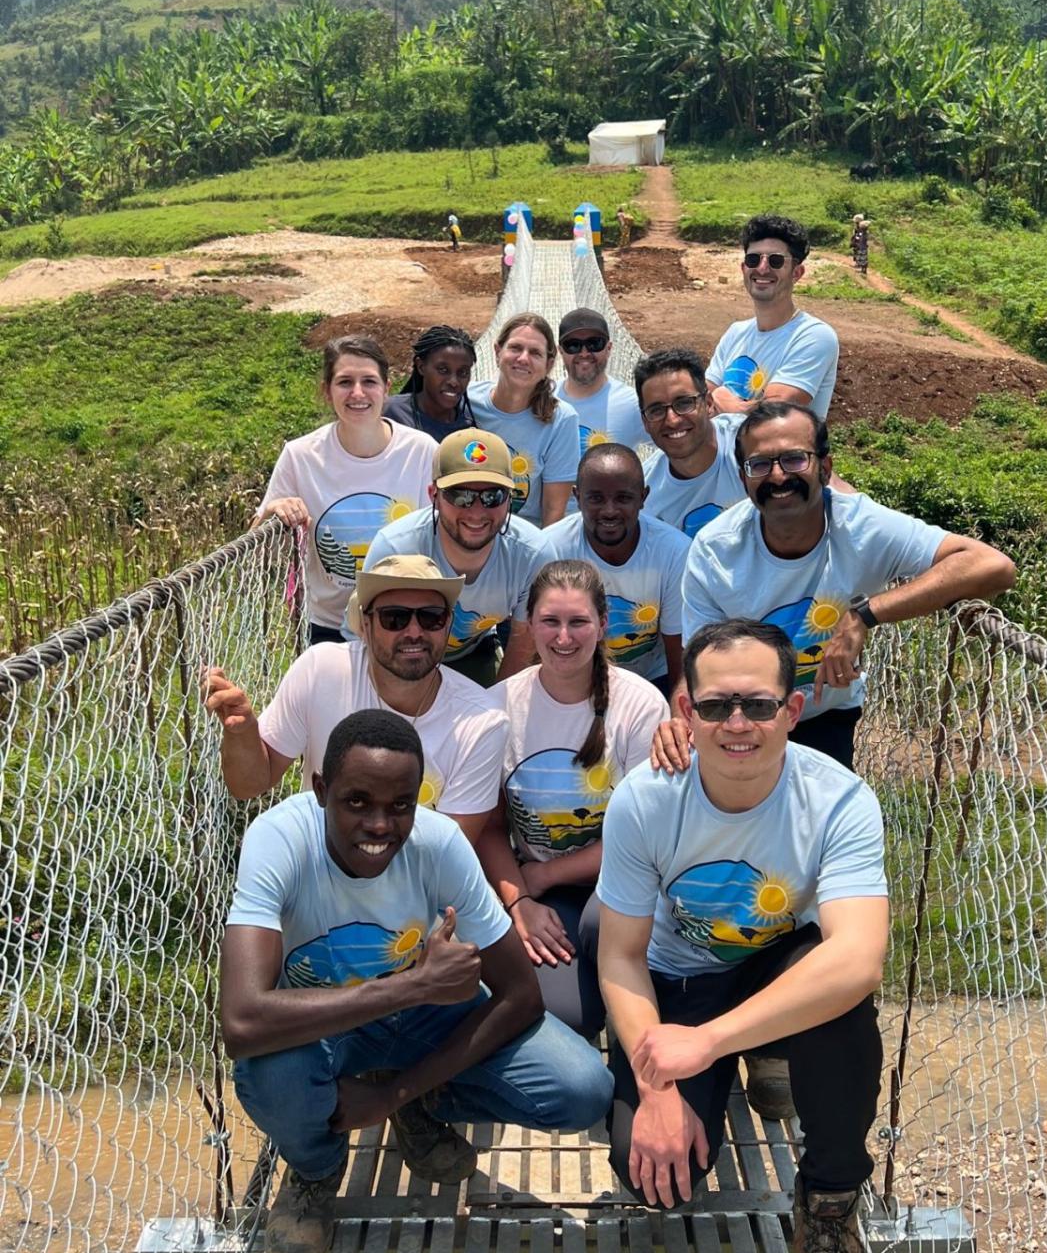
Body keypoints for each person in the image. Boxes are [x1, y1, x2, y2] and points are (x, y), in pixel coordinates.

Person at [222, 709, 613, 1253]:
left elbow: (521, 994)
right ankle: (313, 1171)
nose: (380, 825)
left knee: (582, 1088)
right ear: (320, 790)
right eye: (357, 802)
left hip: (421, 1024)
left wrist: (395, 1094)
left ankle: (420, 1100)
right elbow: (241, 1021)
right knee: (271, 1069)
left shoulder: (439, 843)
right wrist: (412, 986)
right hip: (327, 1031)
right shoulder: (278, 841)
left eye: (400, 805)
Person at [594, 620, 888, 1253]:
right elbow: (620, 956)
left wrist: (709, 1042)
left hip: (770, 970)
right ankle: (746, 1057)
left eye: (758, 705)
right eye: (716, 704)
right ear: (685, 709)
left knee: (841, 1009)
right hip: (677, 980)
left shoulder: (841, 800)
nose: (736, 723)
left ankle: (828, 1208)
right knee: (656, 1181)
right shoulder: (645, 798)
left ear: (792, 710)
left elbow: (857, 957)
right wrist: (659, 1083)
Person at [678, 400, 1017, 771]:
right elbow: (697, 660)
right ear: (743, 480)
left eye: (794, 459)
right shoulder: (714, 550)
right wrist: (679, 721)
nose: (777, 476)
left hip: (824, 715)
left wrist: (865, 614)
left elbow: (993, 566)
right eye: (759, 465)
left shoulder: (862, 526)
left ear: (825, 467)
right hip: (740, 716)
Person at [479, 560, 667, 1038]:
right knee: (569, 1017)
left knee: (604, 928)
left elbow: (644, 838)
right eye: (550, 622)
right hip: (543, 887)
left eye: (578, 622)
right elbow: (491, 825)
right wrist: (518, 899)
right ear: (530, 626)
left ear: (603, 625)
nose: (564, 637)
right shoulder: (498, 707)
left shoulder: (640, 706)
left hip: (623, 878)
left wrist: (542, 874)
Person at [203, 555, 507, 845]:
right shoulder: (321, 670)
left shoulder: (481, 723)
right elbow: (248, 785)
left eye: (431, 618)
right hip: (318, 870)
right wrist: (242, 733)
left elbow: (446, 856)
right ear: (364, 625)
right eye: (394, 618)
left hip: (412, 887)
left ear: (448, 624)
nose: (414, 632)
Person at [254, 335, 435, 644]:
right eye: (344, 382)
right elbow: (258, 547)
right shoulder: (300, 456)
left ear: (386, 388)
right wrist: (273, 512)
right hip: (328, 625)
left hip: (403, 619)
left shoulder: (422, 452)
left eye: (369, 381)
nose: (358, 393)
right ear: (327, 391)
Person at [362, 430, 544, 687]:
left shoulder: (533, 554)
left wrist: (495, 707)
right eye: (461, 496)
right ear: (433, 495)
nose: (477, 512)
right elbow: (365, 640)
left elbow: (523, 641)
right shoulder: (394, 547)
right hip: (397, 659)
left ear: (509, 499)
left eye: (494, 496)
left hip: (472, 653)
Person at [543, 443, 689, 694]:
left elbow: (678, 653)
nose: (609, 510)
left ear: (643, 498)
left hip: (652, 678)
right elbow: (541, 643)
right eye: (596, 498)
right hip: (576, 675)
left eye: (623, 498)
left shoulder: (674, 552)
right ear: (577, 497)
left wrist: (677, 717)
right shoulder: (550, 550)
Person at [707, 214, 839, 419]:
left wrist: (722, 399)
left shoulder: (814, 336)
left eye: (775, 261)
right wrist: (719, 399)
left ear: (797, 273)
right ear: (743, 268)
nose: (762, 268)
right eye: (753, 259)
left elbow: (773, 414)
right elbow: (699, 399)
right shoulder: (735, 333)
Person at [467, 314, 578, 527]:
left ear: (549, 364)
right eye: (515, 348)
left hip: (525, 538)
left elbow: (553, 510)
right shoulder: (466, 402)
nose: (523, 358)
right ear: (498, 352)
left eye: (535, 353)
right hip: (468, 528)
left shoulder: (561, 420)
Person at [636, 348, 745, 539]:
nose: (672, 420)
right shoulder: (645, 496)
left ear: (709, 404)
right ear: (645, 422)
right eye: (656, 410)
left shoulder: (751, 446)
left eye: (684, 403)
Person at [555, 308, 648, 456]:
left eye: (594, 343)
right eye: (573, 345)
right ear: (560, 351)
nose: (584, 353)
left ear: (609, 348)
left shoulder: (632, 404)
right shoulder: (545, 401)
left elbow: (675, 447)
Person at [384, 326, 479, 443]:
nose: (454, 382)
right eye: (443, 370)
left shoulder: (470, 426)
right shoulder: (391, 414)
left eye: (463, 372)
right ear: (421, 367)